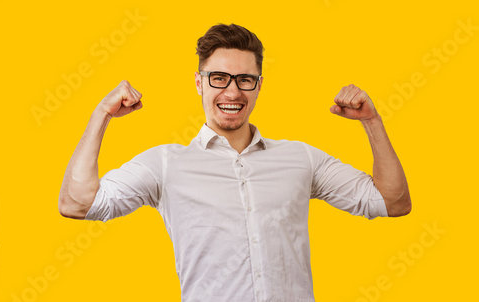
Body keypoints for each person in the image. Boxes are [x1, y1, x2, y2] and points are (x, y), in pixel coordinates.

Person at [58, 23, 411, 302]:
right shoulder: (165, 164)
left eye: (245, 79)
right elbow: (77, 204)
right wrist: (101, 115)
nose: (232, 92)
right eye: (218, 78)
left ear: (259, 85)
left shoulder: (300, 158)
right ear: (199, 83)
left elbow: (391, 202)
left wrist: (372, 122)